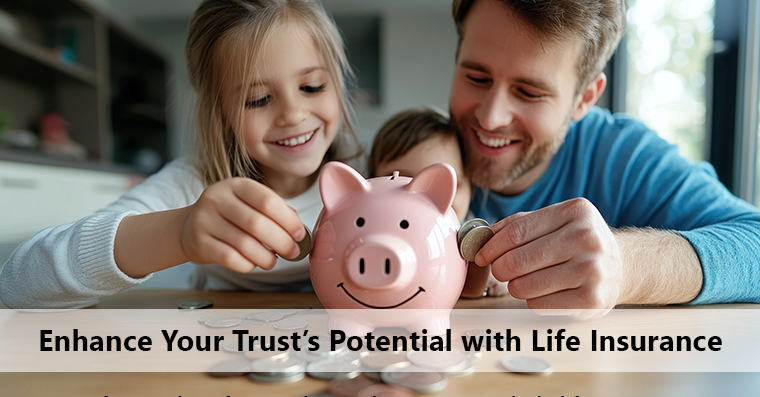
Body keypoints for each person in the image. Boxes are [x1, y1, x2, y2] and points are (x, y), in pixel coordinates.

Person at [0, 0, 362, 309]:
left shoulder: (369, 175)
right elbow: (16, 286)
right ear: (219, 113)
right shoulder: (195, 184)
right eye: (258, 100)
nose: (293, 114)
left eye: (312, 86)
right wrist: (179, 232)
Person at [449, 0, 760, 318]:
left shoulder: (625, 159)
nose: (490, 118)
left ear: (584, 99)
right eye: (476, 78)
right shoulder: (411, 149)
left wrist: (625, 267)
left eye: (529, 92)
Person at [368, 106, 508, 298]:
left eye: (443, 185)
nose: (424, 200)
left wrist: (498, 276)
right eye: (403, 182)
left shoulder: (480, 242)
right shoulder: (365, 234)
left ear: (471, 189)